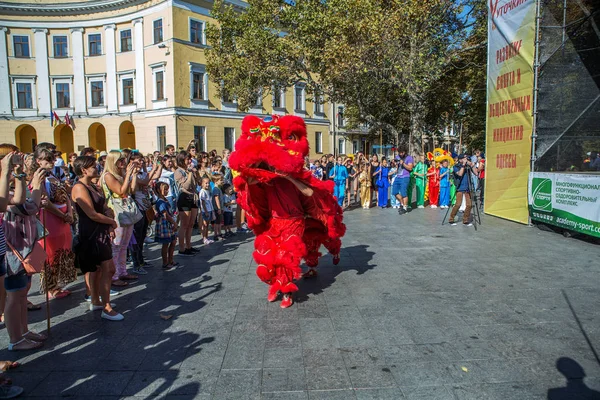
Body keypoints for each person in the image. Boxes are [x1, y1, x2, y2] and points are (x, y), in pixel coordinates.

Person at [3, 148, 48, 350]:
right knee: (14, 295)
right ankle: (15, 339)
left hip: (25, 248)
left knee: (22, 293)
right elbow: (28, 206)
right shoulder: (5, 192)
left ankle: (23, 330)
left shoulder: (13, 187)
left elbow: (29, 202)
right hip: (15, 250)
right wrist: (36, 187)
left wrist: (23, 177)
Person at [71, 156, 123, 321]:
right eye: (93, 166)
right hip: (91, 233)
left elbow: (103, 207)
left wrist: (108, 216)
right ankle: (106, 308)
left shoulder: (91, 185)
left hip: (99, 231)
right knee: (108, 269)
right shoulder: (79, 188)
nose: (97, 167)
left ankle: (96, 300)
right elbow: (92, 214)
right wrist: (111, 222)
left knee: (99, 270)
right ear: (84, 169)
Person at [33, 147, 76, 300]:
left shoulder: (53, 175)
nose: (52, 163)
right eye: (48, 160)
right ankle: (51, 286)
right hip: (50, 219)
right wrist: (62, 215)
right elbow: (45, 201)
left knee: (62, 250)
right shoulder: (38, 178)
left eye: (52, 159)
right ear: (38, 161)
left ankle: (58, 283)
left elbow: (66, 195)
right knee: (50, 253)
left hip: (63, 218)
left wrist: (69, 213)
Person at [100, 150, 139, 287]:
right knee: (116, 246)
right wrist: (128, 174)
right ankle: (114, 275)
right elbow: (121, 191)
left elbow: (131, 190)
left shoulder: (120, 174)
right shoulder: (108, 176)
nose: (123, 163)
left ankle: (122, 271)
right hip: (116, 212)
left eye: (124, 160)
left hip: (125, 210)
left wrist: (132, 176)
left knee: (124, 245)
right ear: (113, 162)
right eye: (120, 160)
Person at [129, 151, 162, 274]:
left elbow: (153, 176)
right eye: (138, 160)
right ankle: (136, 264)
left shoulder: (141, 173)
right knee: (136, 238)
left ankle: (141, 260)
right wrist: (153, 168)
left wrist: (157, 164)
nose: (141, 161)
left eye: (142, 159)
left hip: (145, 206)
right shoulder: (132, 175)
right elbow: (145, 182)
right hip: (137, 207)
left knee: (142, 236)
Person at [174, 151, 199, 256]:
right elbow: (186, 186)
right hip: (184, 197)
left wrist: (195, 173)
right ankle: (181, 248)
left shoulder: (189, 170)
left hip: (193, 197)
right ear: (182, 160)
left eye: (190, 159)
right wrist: (189, 174)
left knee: (191, 224)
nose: (190, 161)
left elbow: (198, 181)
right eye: (187, 159)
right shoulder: (178, 171)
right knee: (184, 224)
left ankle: (189, 246)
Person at [153, 182, 177, 270]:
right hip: (164, 224)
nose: (167, 191)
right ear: (159, 190)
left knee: (173, 241)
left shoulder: (164, 200)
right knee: (166, 244)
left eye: (167, 189)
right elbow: (165, 215)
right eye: (165, 189)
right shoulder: (160, 202)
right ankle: (165, 262)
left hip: (168, 223)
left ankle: (171, 260)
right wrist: (173, 222)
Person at [449, 154, 476, 226]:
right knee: (458, 204)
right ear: (460, 160)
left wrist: (472, 165)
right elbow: (460, 174)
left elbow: (476, 173)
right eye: (464, 159)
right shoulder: (456, 167)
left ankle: (465, 220)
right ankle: (451, 218)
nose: (465, 160)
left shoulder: (468, 167)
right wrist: (463, 165)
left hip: (468, 188)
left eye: (466, 158)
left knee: (469, 205)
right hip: (460, 188)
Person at [392, 147, 413, 215]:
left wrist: (403, 163)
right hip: (398, 176)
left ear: (405, 152)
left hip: (405, 177)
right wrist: (393, 163)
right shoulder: (397, 156)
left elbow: (410, 168)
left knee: (404, 193)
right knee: (394, 192)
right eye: (400, 152)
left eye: (402, 152)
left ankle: (405, 208)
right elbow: (395, 166)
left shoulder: (409, 158)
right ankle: (402, 203)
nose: (401, 154)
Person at [199, 176, 215, 245]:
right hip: (206, 210)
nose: (207, 185)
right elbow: (202, 202)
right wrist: (205, 211)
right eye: (206, 183)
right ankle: (204, 238)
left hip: (209, 209)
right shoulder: (202, 191)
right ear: (202, 184)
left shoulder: (207, 191)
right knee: (205, 225)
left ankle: (207, 237)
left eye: (208, 183)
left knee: (207, 224)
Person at [211, 174, 224, 241]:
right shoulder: (216, 189)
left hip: (218, 208)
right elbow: (217, 199)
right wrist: (219, 208)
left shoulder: (217, 188)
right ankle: (216, 234)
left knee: (219, 222)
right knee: (217, 222)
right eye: (220, 180)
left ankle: (219, 233)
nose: (222, 181)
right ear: (216, 181)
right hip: (216, 208)